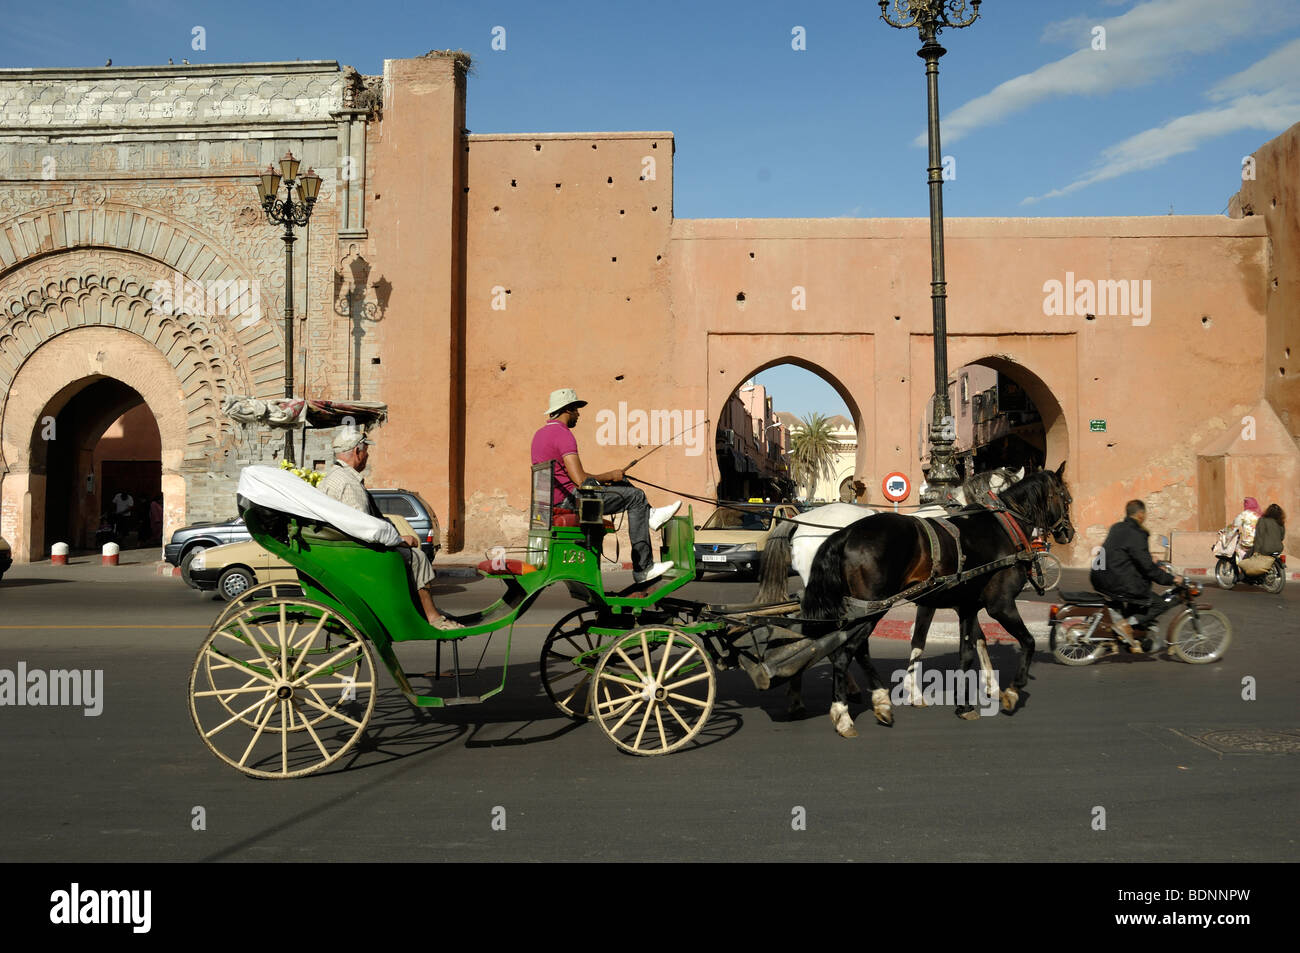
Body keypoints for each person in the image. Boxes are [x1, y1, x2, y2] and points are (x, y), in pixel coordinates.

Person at [532, 388, 681, 585]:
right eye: (576, 409)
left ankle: (650, 514)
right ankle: (643, 567)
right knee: (636, 496)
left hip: (558, 499)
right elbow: (580, 480)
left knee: (622, 484)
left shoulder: (540, 435)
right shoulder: (563, 434)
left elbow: (572, 476)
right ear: (567, 409)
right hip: (572, 500)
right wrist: (608, 475)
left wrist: (610, 479)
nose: (579, 414)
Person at [319, 431, 463, 630]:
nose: (368, 456)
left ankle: (421, 610)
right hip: (358, 553)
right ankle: (432, 617)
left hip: (344, 548)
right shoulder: (348, 484)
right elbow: (365, 528)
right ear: (357, 452)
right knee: (417, 557)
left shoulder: (334, 477)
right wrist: (399, 539)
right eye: (366, 451)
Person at [1090, 499, 1184, 652]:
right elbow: (1147, 568)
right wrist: (1171, 579)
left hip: (1099, 577)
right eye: (1145, 514)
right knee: (1158, 604)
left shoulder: (1117, 527)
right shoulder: (1138, 533)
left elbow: (1125, 553)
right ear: (1141, 514)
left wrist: (1149, 558)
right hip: (1117, 581)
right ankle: (1125, 625)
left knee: (1135, 601)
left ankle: (1133, 638)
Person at [1239, 503, 1285, 576]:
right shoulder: (1280, 522)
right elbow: (1282, 537)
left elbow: (1259, 537)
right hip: (1279, 548)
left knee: (1247, 556)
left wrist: (1256, 551)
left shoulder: (1262, 520)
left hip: (1266, 548)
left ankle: (1244, 575)